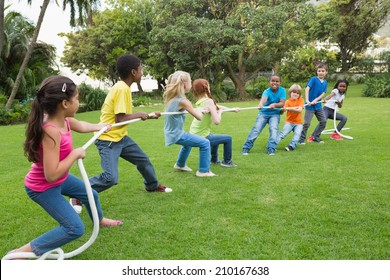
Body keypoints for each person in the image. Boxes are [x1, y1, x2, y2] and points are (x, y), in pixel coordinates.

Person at [8, 75, 122, 259]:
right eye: (77, 98)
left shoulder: (65, 121)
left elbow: (83, 125)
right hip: (43, 187)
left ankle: (99, 220)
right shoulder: (51, 131)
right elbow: (51, 174)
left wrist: (101, 126)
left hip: (60, 179)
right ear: (64, 103)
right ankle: (21, 253)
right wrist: (74, 154)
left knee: (90, 194)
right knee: (74, 228)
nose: (79, 101)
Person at [71, 55, 172, 213]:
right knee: (110, 178)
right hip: (108, 140)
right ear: (133, 72)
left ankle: (152, 186)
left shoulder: (123, 87)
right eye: (140, 69)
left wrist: (149, 115)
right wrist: (140, 114)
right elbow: (121, 118)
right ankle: (77, 193)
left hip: (121, 138)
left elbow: (123, 118)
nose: (142, 72)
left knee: (143, 161)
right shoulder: (122, 88)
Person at [163, 71, 217, 177]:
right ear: (184, 84)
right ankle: (203, 171)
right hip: (176, 134)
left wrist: (199, 109)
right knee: (205, 143)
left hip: (171, 132)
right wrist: (203, 111)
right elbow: (199, 117)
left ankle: (180, 164)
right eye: (190, 81)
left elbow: (189, 110)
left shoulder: (173, 98)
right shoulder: (183, 101)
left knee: (188, 144)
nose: (191, 84)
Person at [189, 78, 238, 167]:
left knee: (214, 137)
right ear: (206, 88)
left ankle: (214, 160)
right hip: (201, 135)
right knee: (228, 138)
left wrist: (232, 109)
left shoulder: (200, 101)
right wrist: (221, 112)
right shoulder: (209, 101)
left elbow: (217, 106)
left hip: (195, 132)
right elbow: (216, 121)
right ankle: (227, 162)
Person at [242, 74, 286, 155]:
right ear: (270, 82)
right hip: (263, 113)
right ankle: (246, 148)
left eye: (277, 81)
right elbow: (263, 99)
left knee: (274, 129)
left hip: (275, 114)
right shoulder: (266, 91)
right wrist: (261, 104)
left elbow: (282, 103)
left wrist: (274, 105)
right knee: (256, 129)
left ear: (280, 83)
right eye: (273, 81)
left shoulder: (282, 91)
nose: (274, 83)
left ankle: (271, 148)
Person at [298, 62, 328, 144]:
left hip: (318, 105)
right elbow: (307, 88)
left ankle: (316, 136)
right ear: (317, 72)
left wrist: (317, 99)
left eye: (322, 71)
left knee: (323, 121)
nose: (320, 72)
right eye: (319, 71)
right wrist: (307, 100)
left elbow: (323, 93)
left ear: (326, 72)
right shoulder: (313, 79)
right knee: (307, 123)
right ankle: (301, 139)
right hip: (309, 105)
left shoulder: (325, 82)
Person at [271, 84, 304, 152]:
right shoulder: (287, 102)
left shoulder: (301, 100)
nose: (295, 94)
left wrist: (290, 109)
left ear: (299, 94)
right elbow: (283, 111)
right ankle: (272, 145)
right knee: (283, 134)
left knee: (297, 135)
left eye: (297, 93)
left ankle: (291, 146)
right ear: (290, 93)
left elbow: (299, 110)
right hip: (289, 122)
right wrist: (283, 109)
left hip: (298, 123)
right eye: (294, 92)